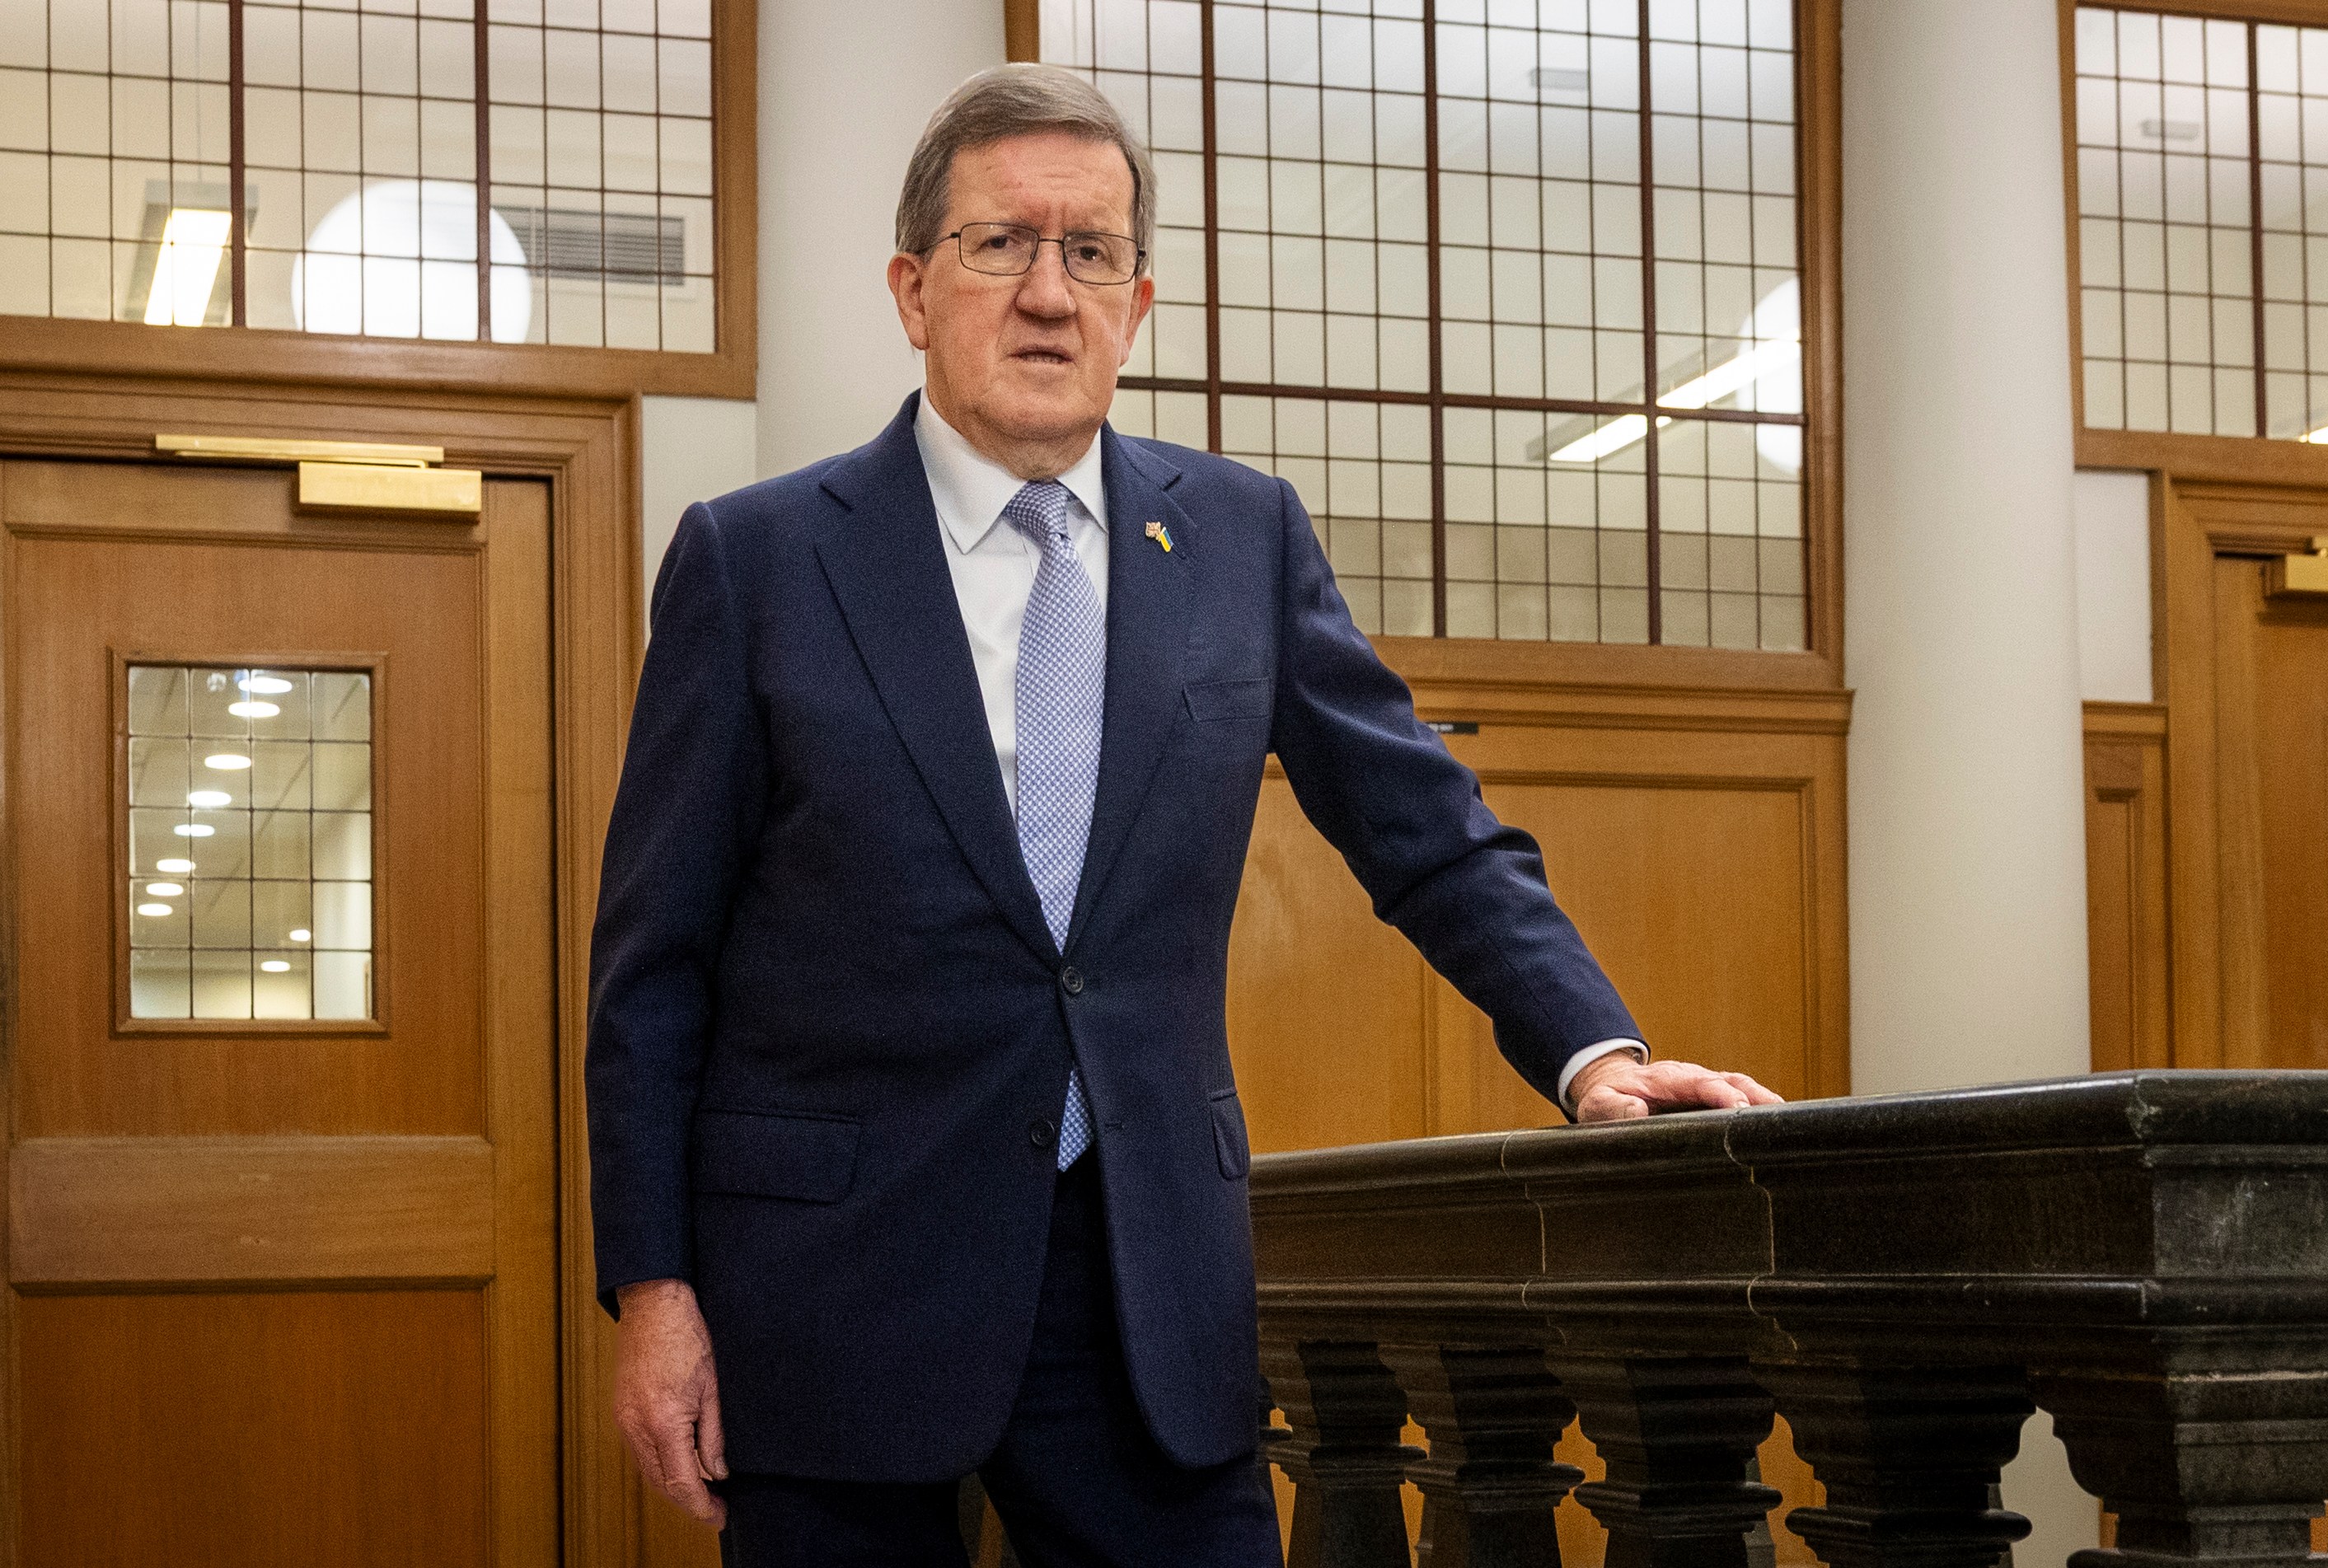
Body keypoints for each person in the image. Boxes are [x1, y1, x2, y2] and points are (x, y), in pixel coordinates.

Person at [587, 62, 1782, 1568]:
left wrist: (1593, 1049)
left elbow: (1426, 828)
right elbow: (653, 968)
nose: (1047, 292)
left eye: (1090, 252)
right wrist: (653, 1290)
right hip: (835, 1291)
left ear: (1136, 304)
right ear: (912, 289)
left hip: (1145, 1293)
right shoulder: (757, 564)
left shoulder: (1237, 537)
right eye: (1001, 244)